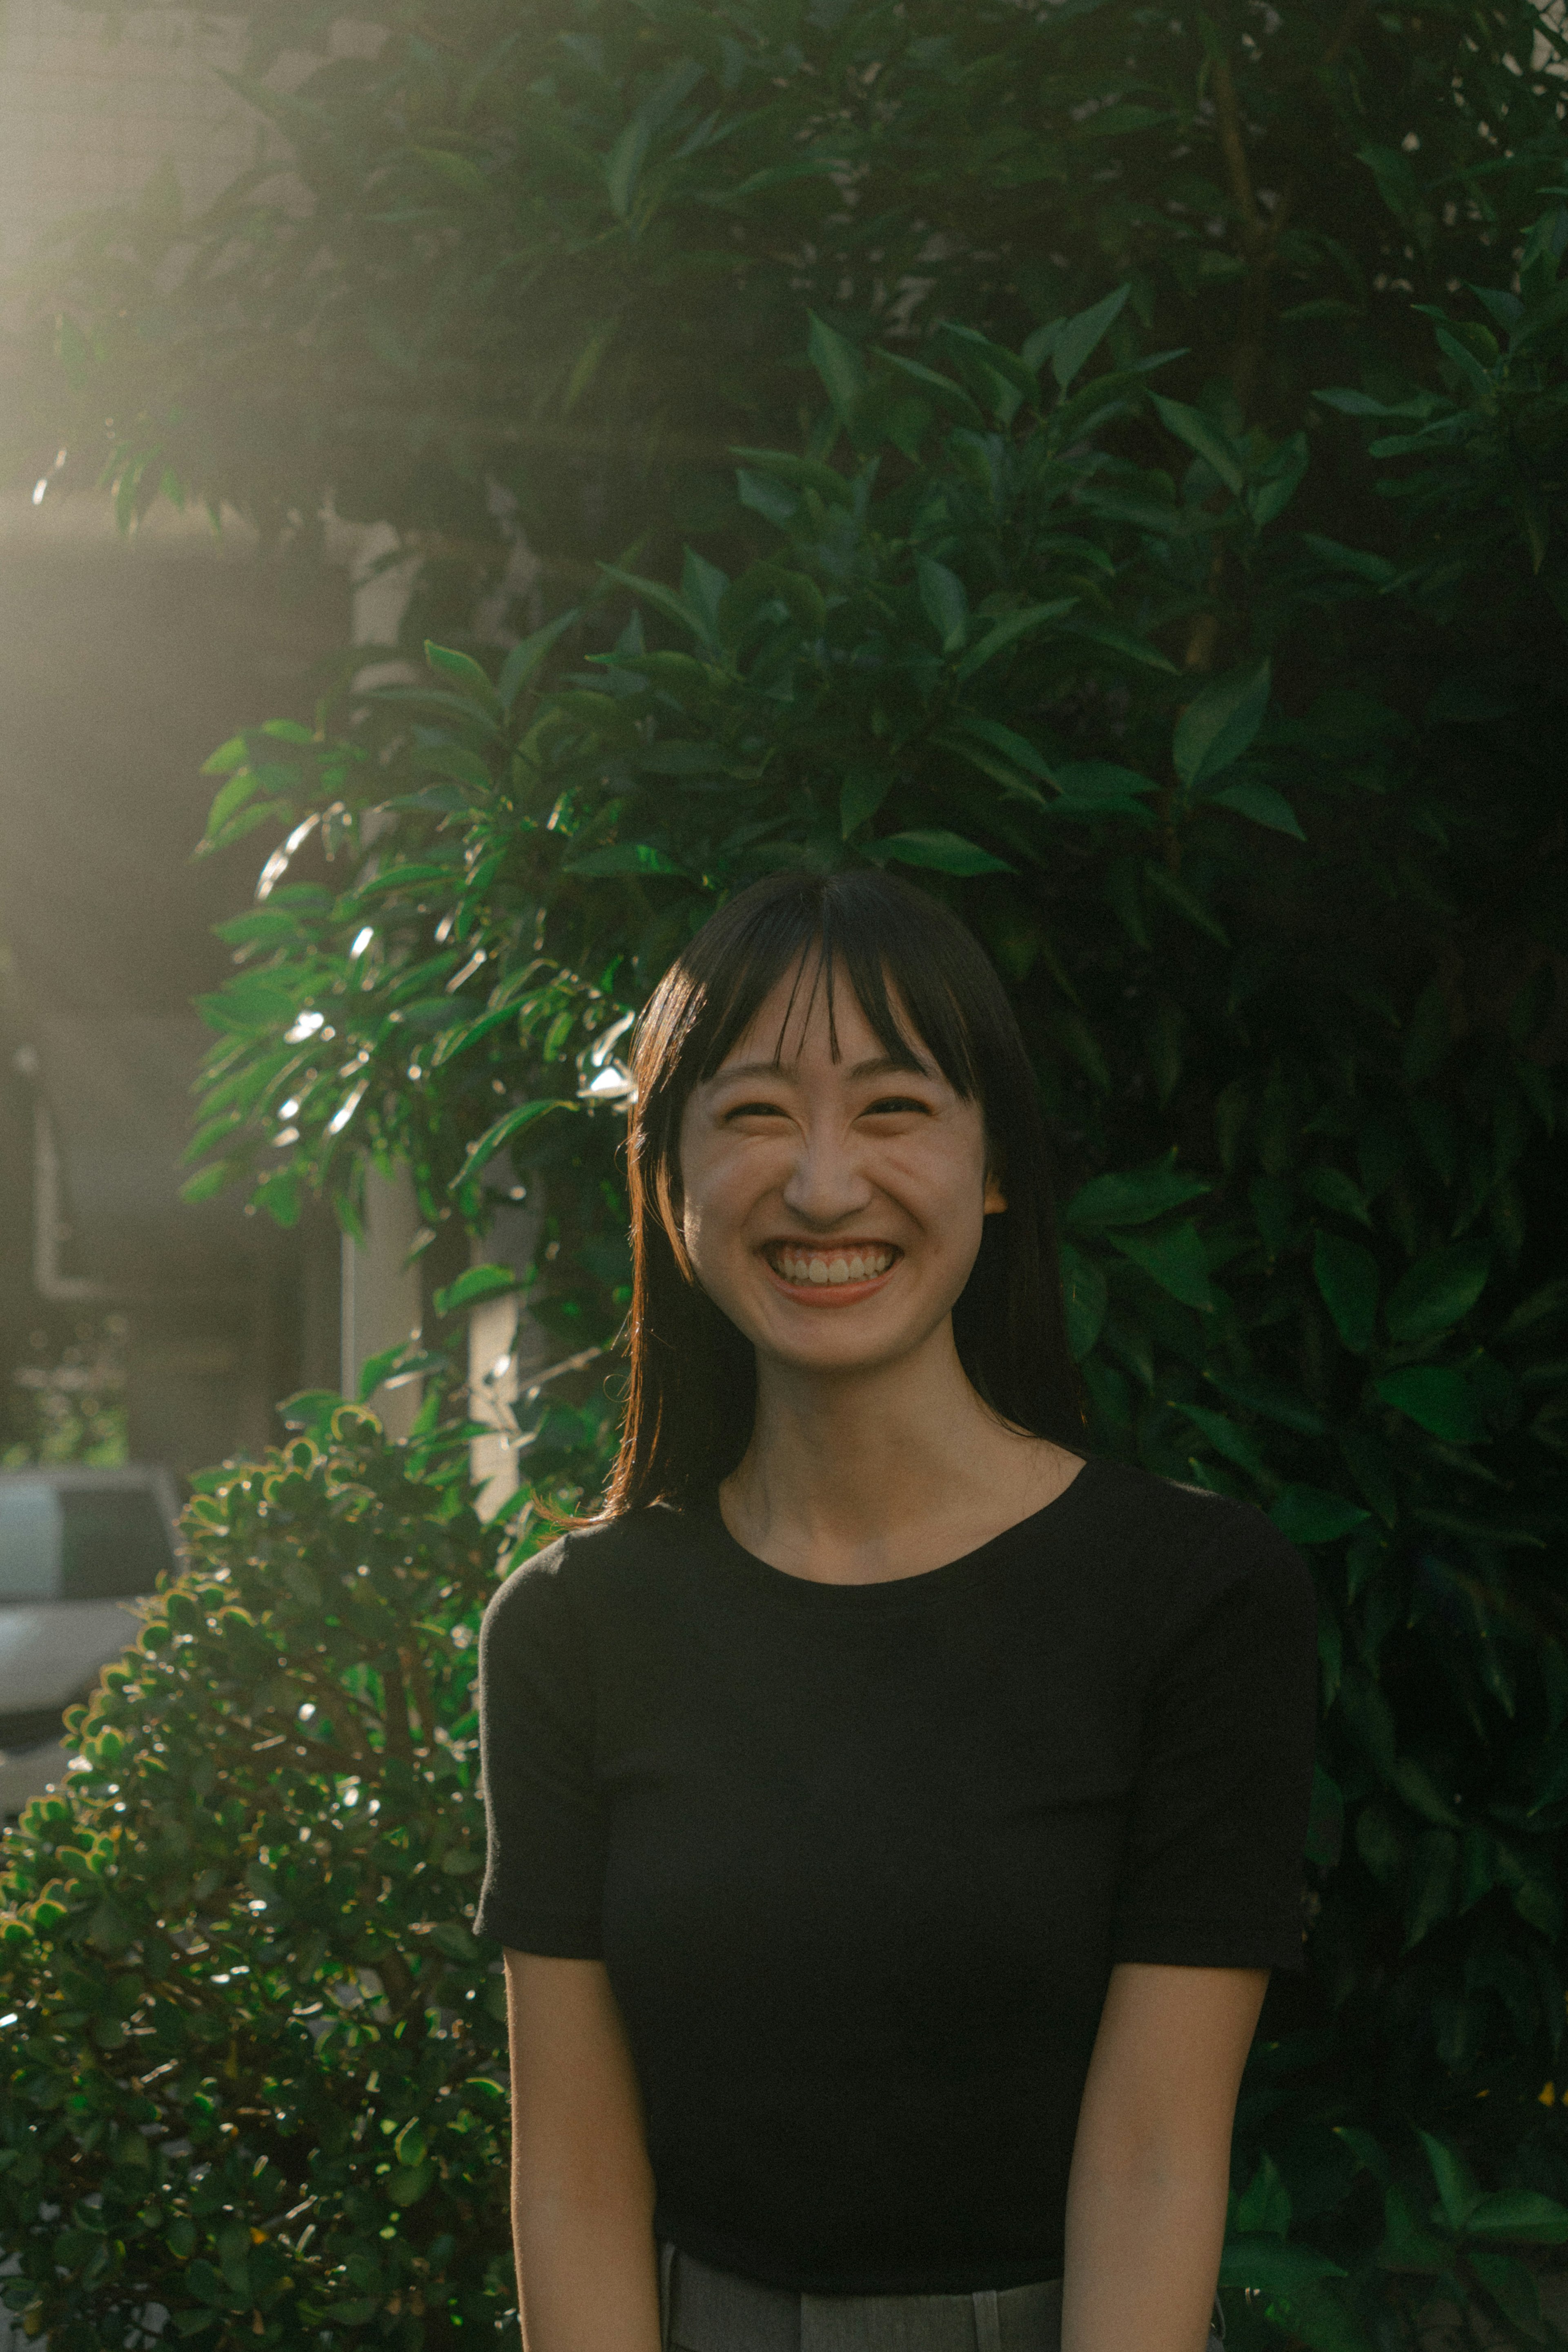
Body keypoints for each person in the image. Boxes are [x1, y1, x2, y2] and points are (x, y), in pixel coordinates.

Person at [476, 868, 1317, 2352]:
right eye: (749, 1115)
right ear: (667, 1179)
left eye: (892, 1108)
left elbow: (1155, 2160)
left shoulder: (1196, 1597)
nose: (820, 1186)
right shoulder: (570, 1628)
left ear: (995, 1165)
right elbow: (578, 2182)